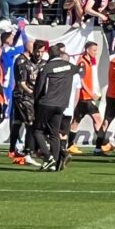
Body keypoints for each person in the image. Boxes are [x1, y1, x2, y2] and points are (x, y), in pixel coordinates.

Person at [33, 44, 82, 172]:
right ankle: (54, 163)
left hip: (47, 103)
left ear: (49, 55)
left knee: (38, 131)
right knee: (55, 134)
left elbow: (39, 87)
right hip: (62, 105)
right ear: (60, 54)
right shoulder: (70, 67)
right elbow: (81, 70)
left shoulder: (47, 67)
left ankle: (48, 158)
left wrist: (36, 102)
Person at [9, 39, 45, 167]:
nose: (39, 53)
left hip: (28, 96)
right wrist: (32, 93)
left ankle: (15, 150)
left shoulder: (38, 63)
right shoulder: (22, 61)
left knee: (19, 123)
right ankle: (27, 152)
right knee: (29, 123)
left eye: (41, 51)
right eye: (36, 50)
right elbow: (21, 83)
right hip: (23, 96)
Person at [67, 41, 103, 155]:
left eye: (96, 50)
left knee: (76, 122)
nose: (95, 53)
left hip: (87, 97)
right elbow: (81, 80)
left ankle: (70, 145)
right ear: (87, 50)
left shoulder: (89, 61)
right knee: (97, 120)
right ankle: (99, 147)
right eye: (94, 50)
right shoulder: (82, 62)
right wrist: (90, 93)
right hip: (84, 98)